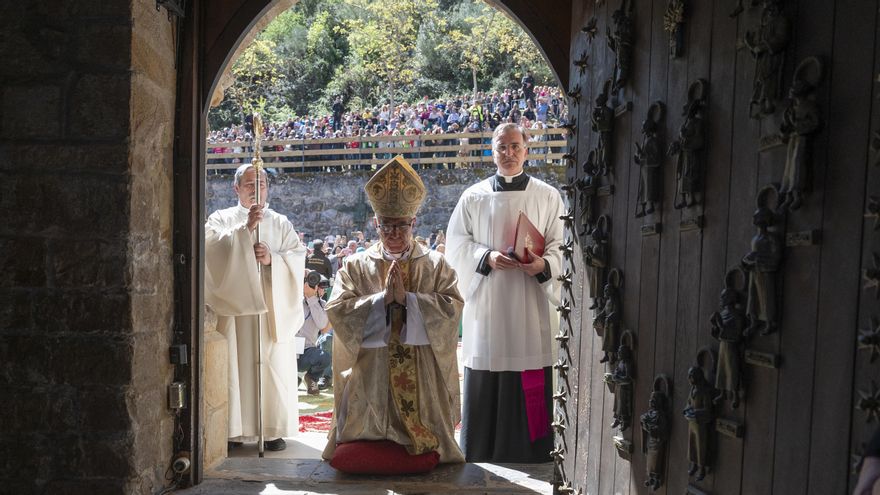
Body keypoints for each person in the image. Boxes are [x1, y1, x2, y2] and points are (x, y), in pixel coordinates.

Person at [323, 156, 466, 466]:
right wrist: (381, 302)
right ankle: (372, 434)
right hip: (371, 368)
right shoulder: (355, 265)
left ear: (413, 223)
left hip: (421, 365)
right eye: (386, 225)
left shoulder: (435, 264)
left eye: (401, 225)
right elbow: (337, 309)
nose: (394, 232)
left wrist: (411, 301)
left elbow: (452, 307)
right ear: (376, 224)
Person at [446, 123, 565, 463]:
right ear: (492, 151)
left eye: (515, 146)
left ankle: (534, 449)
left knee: (531, 365)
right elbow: (456, 245)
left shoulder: (547, 195)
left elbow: (562, 245)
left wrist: (543, 265)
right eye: (502, 147)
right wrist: (485, 257)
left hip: (531, 304)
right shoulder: (473, 196)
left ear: (527, 149)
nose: (509, 153)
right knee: (488, 363)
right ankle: (482, 447)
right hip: (489, 302)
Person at [205, 163, 306, 452]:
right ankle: (232, 430)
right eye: (249, 184)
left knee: (271, 364)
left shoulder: (280, 222)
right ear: (236, 188)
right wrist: (244, 231)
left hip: (270, 310)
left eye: (261, 184)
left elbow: (297, 256)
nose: (256, 189)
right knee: (234, 365)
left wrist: (273, 259)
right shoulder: (221, 218)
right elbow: (210, 251)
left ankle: (271, 429)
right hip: (236, 313)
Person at [295, 270, 332, 395]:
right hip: (287, 351)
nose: (320, 289)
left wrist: (311, 299)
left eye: (320, 286)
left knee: (324, 357)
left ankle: (312, 378)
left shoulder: (322, 305)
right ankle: (296, 377)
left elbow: (322, 325)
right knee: (289, 388)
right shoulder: (295, 300)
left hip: (307, 352)